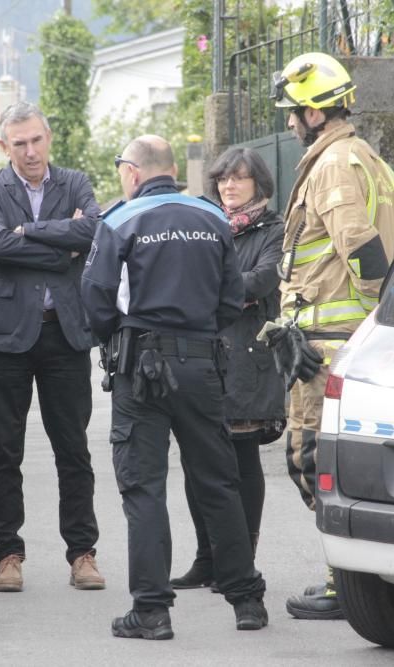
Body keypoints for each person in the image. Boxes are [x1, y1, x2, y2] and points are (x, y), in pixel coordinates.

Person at [82, 135, 268, 640]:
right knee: (217, 480)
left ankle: (151, 611)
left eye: (122, 168)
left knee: (144, 487)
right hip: (203, 362)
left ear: (134, 173)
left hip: (140, 365)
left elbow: (96, 297)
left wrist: (116, 335)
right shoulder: (211, 217)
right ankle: (246, 600)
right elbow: (232, 296)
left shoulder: (120, 220)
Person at [266, 52, 394, 620]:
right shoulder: (368, 158)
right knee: (330, 461)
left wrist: (371, 328)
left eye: (293, 113)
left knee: (310, 457)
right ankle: (359, 573)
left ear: (314, 113)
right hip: (338, 334)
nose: (289, 124)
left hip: (332, 339)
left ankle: (346, 578)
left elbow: (367, 254)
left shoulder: (332, 165)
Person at [0, 101, 104, 593]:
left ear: (49, 139)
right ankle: (8, 555)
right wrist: (60, 245)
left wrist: (29, 231)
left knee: (74, 450)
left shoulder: (76, 183)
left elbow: (92, 233)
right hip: (5, 336)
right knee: (4, 451)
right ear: (4, 147)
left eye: (36, 140)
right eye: (19, 143)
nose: (29, 152)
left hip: (64, 333)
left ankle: (82, 554)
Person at [169, 148, 286, 591]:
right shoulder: (205, 224)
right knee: (197, 460)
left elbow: (261, 280)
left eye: (239, 179)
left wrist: (208, 289)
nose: (229, 187)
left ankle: (240, 562)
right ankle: (206, 559)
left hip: (246, 357)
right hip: (202, 354)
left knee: (241, 460)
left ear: (258, 183)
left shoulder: (274, 229)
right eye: (223, 180)